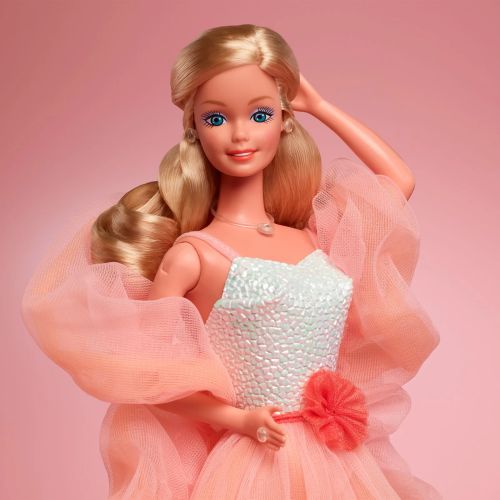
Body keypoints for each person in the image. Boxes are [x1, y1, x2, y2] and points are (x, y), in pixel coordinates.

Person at [22, 24, 441, 499]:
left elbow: (397, 183)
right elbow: (151, 378)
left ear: (283, 120)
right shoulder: (195, 255)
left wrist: (319, 106)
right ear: (193, 129)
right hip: (255, 463)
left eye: (260, 114)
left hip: (336, 459)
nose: (240, 134)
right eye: (216, 118)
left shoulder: (312, 237)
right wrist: (237, 419)